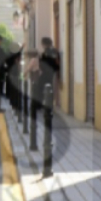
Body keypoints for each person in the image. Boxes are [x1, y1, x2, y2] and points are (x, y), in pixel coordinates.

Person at [30, 37, 62, 175]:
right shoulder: (56, 52)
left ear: (44, 44)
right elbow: (57, 65)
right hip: (52, 76)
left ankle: (41, 108)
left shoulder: (44, 54)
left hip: (45, 77)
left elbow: (41, 66)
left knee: (40, 91)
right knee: (49, 93)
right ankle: (47, 108)